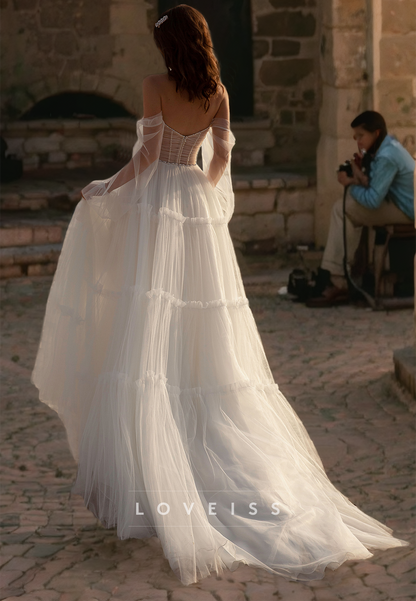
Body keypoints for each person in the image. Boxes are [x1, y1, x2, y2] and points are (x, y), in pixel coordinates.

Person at [31, 6, 409, 587]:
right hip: (196, 213)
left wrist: (108, 187)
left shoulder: (155, 85)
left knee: (148, 320)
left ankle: (151, 479)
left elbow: (148, 157)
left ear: (170, 45)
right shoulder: (219, 91)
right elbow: (224, 156)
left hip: (159, 208)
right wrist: (199, 201)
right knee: (204, 336)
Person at [307, 110, 415, 308]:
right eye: (356, 137)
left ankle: (337, 277)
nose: (358, 141)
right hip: (402, 205)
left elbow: (373, 200)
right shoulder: (388, 146)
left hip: (409, 211)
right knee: (345, 209)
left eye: (361, 136)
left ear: (376, 133)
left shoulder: (387, 156)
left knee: (343, 208)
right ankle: (338, 275)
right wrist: (359, 177)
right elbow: (376, 185)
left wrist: (350, 184)